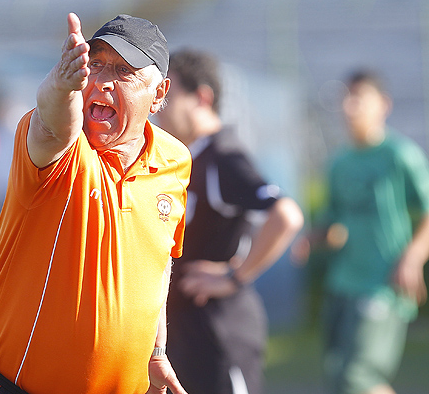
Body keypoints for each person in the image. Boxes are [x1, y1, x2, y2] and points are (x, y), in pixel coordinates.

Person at [0, 13, 191, 394]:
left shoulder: (175, 160)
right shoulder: (63, 147)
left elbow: (160, 262)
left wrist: (155, 351)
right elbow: (52, 124)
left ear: (159, 93)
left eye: (123, 70)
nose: (103, 80)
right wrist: (59, 87)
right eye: (95, 64)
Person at [156, 49, 304, 394]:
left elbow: (287, 216)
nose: (159, 106)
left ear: (201, 98)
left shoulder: (224, 155)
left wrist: (233, 276)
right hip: (186, 333)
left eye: (169, 94)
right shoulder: (189, 157)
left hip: (221, 332)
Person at [301, 69, 429, 394]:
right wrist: (310, 240)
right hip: (343, 283)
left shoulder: (399, 155)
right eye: (346, 98)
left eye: (358, 98)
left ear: (383, 104)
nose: (349, 106)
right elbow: (335, 227)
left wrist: (412, 258)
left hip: (382, 285)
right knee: (337, 380)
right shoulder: (339, 163)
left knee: (359, 379)